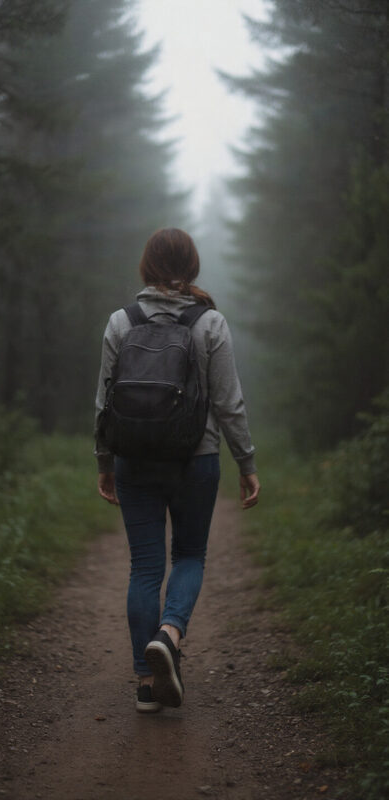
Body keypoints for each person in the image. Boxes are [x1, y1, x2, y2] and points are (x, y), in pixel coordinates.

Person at [94, 228, 260, 713]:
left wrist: (105, 462)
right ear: (193, 267)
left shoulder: (120, 322)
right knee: (189, 554)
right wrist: (245, 462)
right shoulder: (210, 323)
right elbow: (229, 404)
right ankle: (169, 634)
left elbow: (104, 402)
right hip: (197, 458)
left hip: (134, 458)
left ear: (146, 267)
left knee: (144, 567)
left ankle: (146, 684)